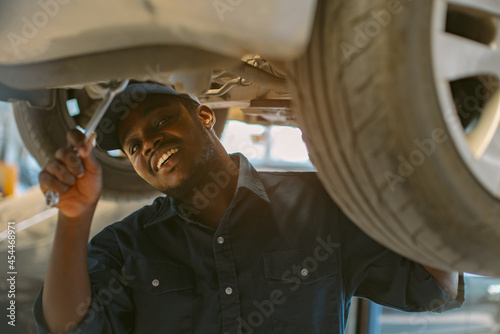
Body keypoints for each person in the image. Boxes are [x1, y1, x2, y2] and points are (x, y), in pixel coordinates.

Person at [34, 83, 464, 334]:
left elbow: (434, 285)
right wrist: (75, 216)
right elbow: (67, 326)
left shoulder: (320, 206)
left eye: (162, 121)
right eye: (133, 146)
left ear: (205, 116)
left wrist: (379, 168)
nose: (148, 143)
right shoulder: (128, 244)